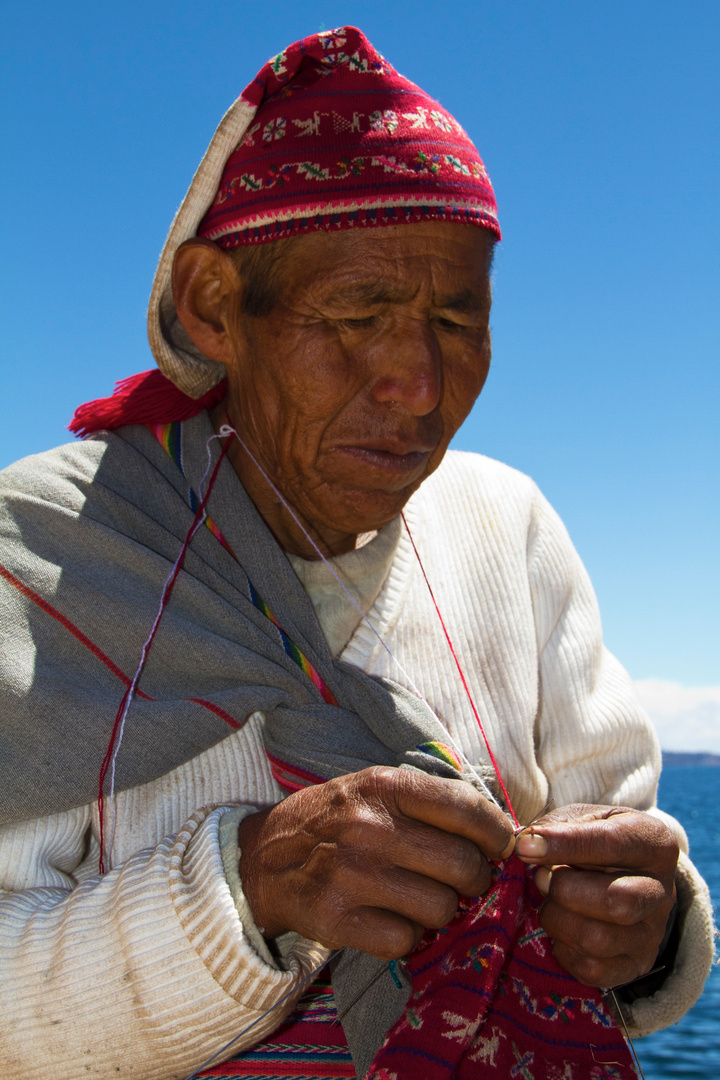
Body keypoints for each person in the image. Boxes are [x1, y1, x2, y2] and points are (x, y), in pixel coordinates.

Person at [0, 26, 713, 1080]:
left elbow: (630, 862)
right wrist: (247, 894)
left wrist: (652, 933)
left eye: (456, 321)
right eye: (359, 312)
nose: (419, 383)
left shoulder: (509, 530)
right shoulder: (36, 557)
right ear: (213, 305)